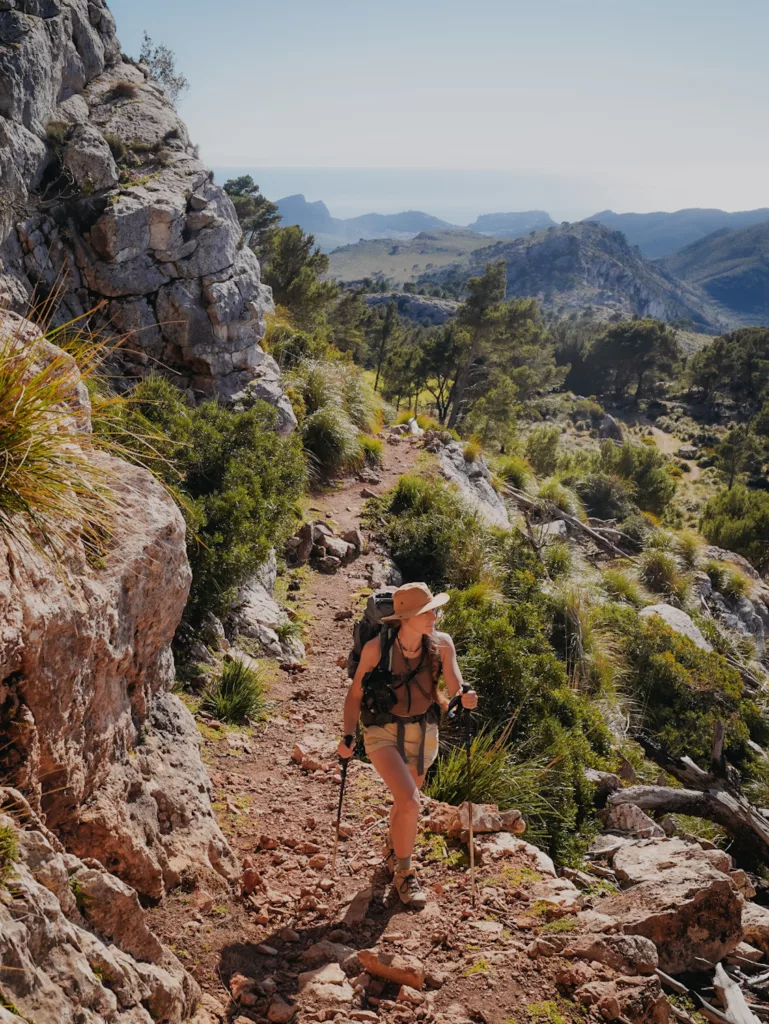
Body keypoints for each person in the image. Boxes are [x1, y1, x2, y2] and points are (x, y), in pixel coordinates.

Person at [337, 582, 477, 908]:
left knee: (405, 803)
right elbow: (355, 695)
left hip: (424, 733)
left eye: (433, 610)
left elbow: (455, 684)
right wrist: (348, 736)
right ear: (405, 618)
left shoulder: (442, 645)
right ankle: (404, 872)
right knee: (411, 802)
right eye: (425, 612)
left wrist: (464, 697)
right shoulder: (377, 649)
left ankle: (393, 848)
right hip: (382, 732)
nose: (433, 617)